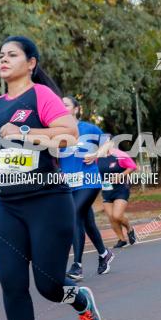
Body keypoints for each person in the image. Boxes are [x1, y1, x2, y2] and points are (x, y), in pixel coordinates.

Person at [0, 35, 101, 320]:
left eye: (12, 54)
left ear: (31, 63)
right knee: (11, 282)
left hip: (47, 200)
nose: (3, 59)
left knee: (49, 286)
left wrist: (25, 131)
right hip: (8, 203)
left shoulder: (41, 96)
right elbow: (1, 151)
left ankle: (80, 299)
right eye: (0, 55)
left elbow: (68, 136)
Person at [60, 96, 115, 280]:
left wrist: (96, 153)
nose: (61, 107)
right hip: (69, 184)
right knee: (87, 221)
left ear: (75, 109)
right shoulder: (57, 132)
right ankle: (104, 254)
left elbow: (109, 142)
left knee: (74, 214)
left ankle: (77, 266)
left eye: (65, 105)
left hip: (89, 181)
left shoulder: (88, 128)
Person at [96, 143, 138, 248]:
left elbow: (132, 166)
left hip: (121, 189)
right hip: (106, 190)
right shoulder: (97, 157)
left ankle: (129, 228)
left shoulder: (119, 154)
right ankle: (121, 239)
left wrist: (121, 175)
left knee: (117, 215)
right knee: (111, 217)